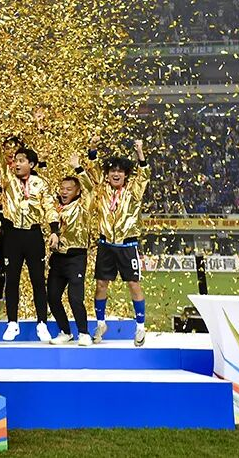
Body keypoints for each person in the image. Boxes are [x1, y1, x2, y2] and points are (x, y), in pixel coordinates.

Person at [0, 115, 59, 342]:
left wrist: (54, 230)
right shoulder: (8, 179)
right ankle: (12, 323)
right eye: (15, 160)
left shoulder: (41, 183)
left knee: (38, 279)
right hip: (13, 234)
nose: (16, 163)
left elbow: (49, 206)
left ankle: (42, 323)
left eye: (22, 160)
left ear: (32, 165)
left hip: (34, 235)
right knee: (12, 279)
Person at [90, 140, 150, 347]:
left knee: (133, 284)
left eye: (120, 171)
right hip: (106, 245)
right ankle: (100, 324)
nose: (116, 174)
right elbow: (93, 170)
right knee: (101, 284)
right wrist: (93, 149)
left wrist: (140, 152)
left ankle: (140, 327)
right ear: (107, 175)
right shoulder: (101, 189)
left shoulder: (134, 191)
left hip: (127, 246)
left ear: (126, 175)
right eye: (112, 171)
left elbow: (144, 175)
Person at [47, 153, 95, 346]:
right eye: (62, 189)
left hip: (76, 257)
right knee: (52, 297)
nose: (64, 192)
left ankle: (84, 333)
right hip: (58, 258)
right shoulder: (55, 208)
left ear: (77, 191)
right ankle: (65, 332)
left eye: (69, 189)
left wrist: (78, 168)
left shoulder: (83, 205)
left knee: (75, 298)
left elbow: (90, 188)